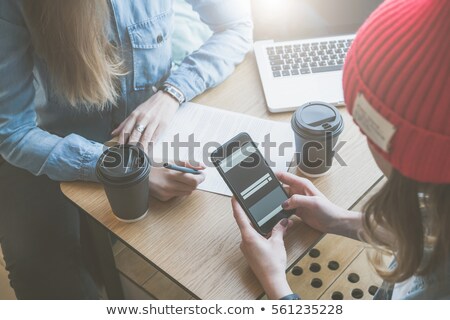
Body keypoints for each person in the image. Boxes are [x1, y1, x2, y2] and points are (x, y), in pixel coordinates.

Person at [0, 0, 252, 299]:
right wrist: (128, 172)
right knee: (38, 269)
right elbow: (12, 132)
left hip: (156, 128)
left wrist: (172, 93)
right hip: (50, 141)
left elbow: (236, 26)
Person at [232, 0, 449, 300]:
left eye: (365, 129)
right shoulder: (439, 196)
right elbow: (429, 235)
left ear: (409, 159)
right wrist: (339, 220)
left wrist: (276, 285)